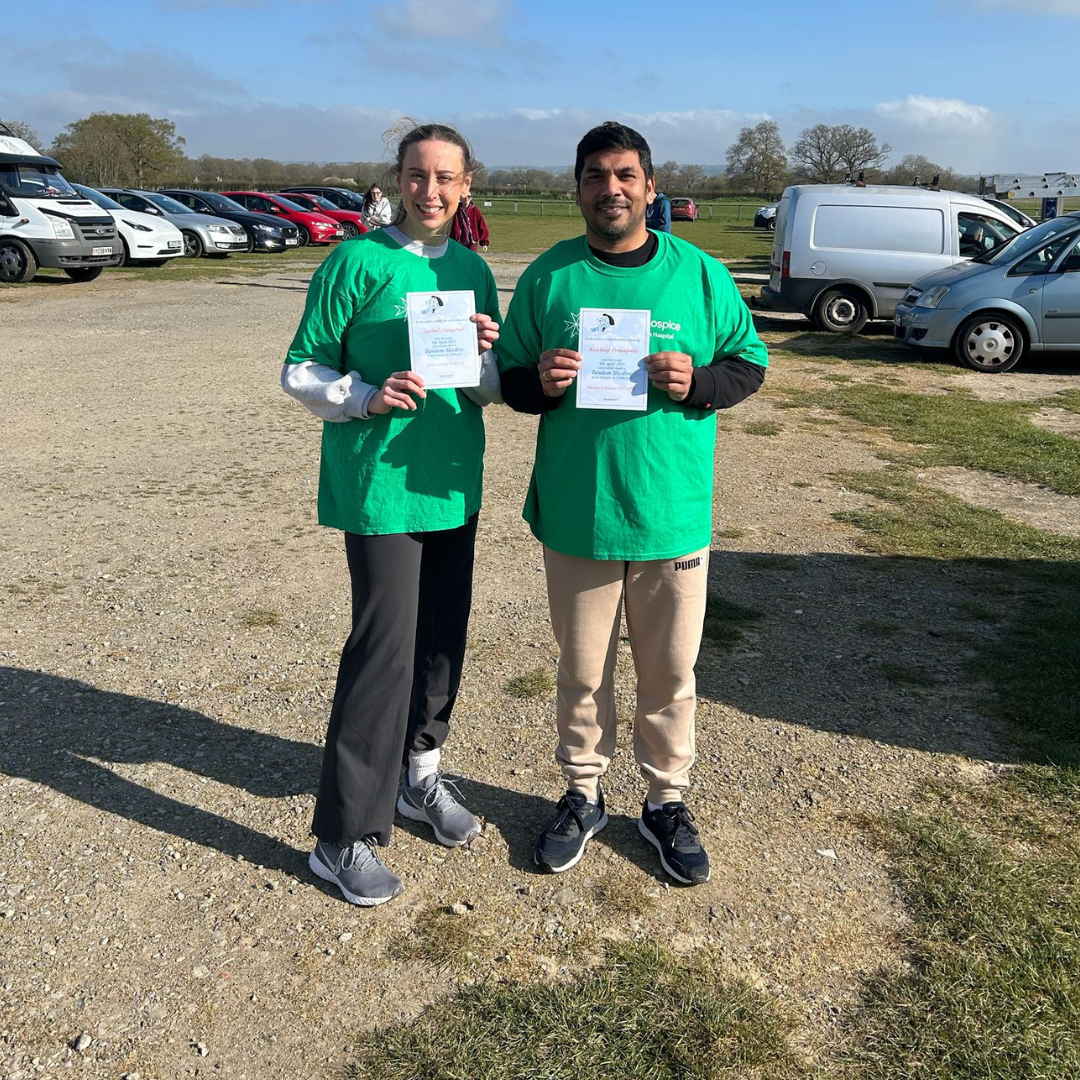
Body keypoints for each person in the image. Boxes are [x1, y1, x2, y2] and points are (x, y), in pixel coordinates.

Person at [497, 121, 768, 885]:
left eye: (625, 175)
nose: (610, 189)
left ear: (652, 187)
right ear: (576, 188)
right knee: (581, 671)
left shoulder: (700, 274)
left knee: (669, 671)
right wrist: (538, 382)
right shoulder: (551, 277)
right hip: (579, 511)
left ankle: (664, 801)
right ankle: (583, 792)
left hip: (669, 510)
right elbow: (509, 377)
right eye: (594, 176)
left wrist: (700, 384)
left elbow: (749, 363)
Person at [281, 122, 502, 907]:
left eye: (446, 177)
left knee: (441, 641)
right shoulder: (354, 260)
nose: (431, 190)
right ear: (397, 181)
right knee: (385, 652)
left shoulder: (474, 270)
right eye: (417, 175)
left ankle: (418, 778)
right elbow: (301, 367)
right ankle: (343, 837)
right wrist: (366, 397)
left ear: (467, 183)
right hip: (380, 488)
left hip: (451, 480)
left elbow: (485, 386)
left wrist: (485, 354)